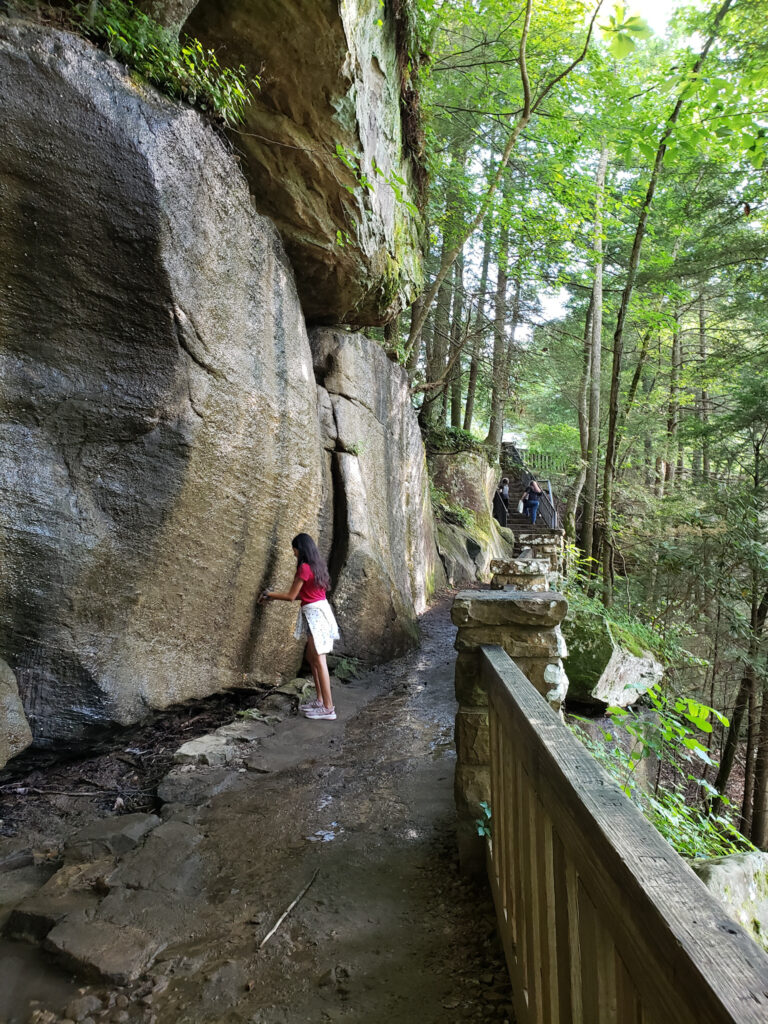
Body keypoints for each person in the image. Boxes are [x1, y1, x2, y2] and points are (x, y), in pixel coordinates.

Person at [259, 533, 340, 721]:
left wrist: (269, 594)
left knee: (319, 660)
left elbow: (290, 596)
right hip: (320, 613)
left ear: (300, 549)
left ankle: (328, 708)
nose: (294, 553)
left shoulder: (304, 567)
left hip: (315, 616)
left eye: (294, 549)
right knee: (312, 658)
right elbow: (302, 594)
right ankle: (320, 701)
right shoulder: (317, 565)